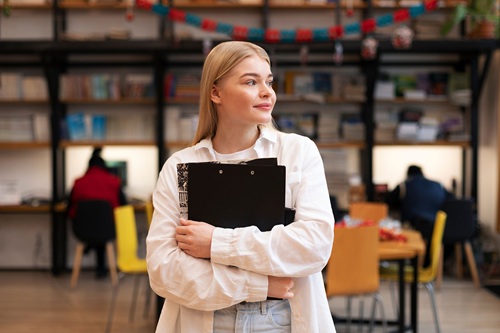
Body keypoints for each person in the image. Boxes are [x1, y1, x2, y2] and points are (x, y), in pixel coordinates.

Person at [146, 41, 336, 332]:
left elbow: (313, 247)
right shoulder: (180, 167)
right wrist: (258, 284)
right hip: (206, 320)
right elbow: (163, 269)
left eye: (268, 81)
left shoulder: (299, 152)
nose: (267, 92)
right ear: (215, 92)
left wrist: (215, 243)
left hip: (281, 319)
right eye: (251, 81)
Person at [68, 147, 127, 278]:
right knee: (102, 223)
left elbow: (69, 208)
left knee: (94, 224)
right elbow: (124, 207)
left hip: (82, 230)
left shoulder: (78, 182)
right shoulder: (114, 182)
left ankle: (90, 246)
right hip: (108, 229)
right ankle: (101, 265)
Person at [386, 164, 454, 267]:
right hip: (441, 228)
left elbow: (388, 201)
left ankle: (416, 264)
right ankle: (431, 265)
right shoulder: (438, 185)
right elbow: (452, 199)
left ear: (407, 174)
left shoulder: (404, 185)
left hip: (415, 228)